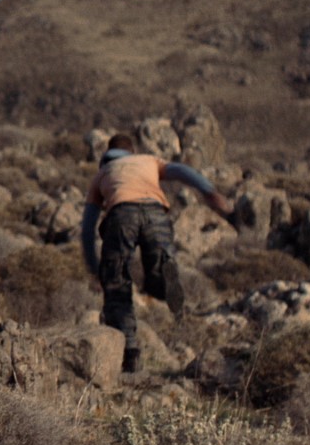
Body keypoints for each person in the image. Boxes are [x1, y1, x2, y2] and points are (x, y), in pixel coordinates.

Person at [80, 133, 233, 374]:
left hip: (121, 215)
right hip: (155, 213)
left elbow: (88, 228)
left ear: (107, 155)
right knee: (159, 265)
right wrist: (209, 191)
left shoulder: (102, 174)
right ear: (132, 151)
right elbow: (182, 171)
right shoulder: (148, 161)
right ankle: (161, 276)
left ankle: (129, 353)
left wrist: (94, 267)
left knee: (116, 283)